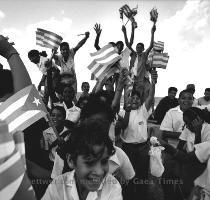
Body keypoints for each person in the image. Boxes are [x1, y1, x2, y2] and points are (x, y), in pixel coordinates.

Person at [42, 118, 123, 200]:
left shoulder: (112, 187)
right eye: (90, 162)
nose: (100, 172)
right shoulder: (58, 186)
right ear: (71, 160)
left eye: (104, 161)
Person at [119, 68, 158, 200]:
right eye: (132, 97)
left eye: (137, 98)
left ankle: (141, 196)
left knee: (142, 176)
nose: (135, 99)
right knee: (127, 175)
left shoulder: (143, 111)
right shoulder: (123, 113)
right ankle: (127, 196)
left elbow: (151, 96)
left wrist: (153, 82)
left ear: (141, 101)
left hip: (142, 148)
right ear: (128, 99)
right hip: (127, 149)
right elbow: (121, 126)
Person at [160, 107, 210, 199]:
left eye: (188, 123)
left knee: (186, 187)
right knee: (166, 175)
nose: (186, 126)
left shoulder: (207, 130)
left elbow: (197, 156)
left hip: (201, 167)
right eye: (185, 123)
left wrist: (198, 132)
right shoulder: (188, 129)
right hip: (187, 161)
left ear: (198, 120)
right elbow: (180, 147)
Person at [160, 89, 194, 200]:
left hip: (190, 153)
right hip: (172, 151)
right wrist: (185, 133)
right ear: (179, 100)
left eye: (190, 98)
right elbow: (165, 132)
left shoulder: (197, 113)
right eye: (184, 98)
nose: (187, 101)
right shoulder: (171, 112)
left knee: (185, 183)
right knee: (167, 179)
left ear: (193, 100)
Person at [122, 21, 156, 102]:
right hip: (131, 79)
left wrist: (152, 33)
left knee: (140, 98)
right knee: (130, 98)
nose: (138, 48)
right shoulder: (133, 54)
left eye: (140, 47)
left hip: (141, 80)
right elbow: (128, 44)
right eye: (137, 47)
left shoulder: (144, 55)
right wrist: (125, 32)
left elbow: (151, 45)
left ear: (143, 49)